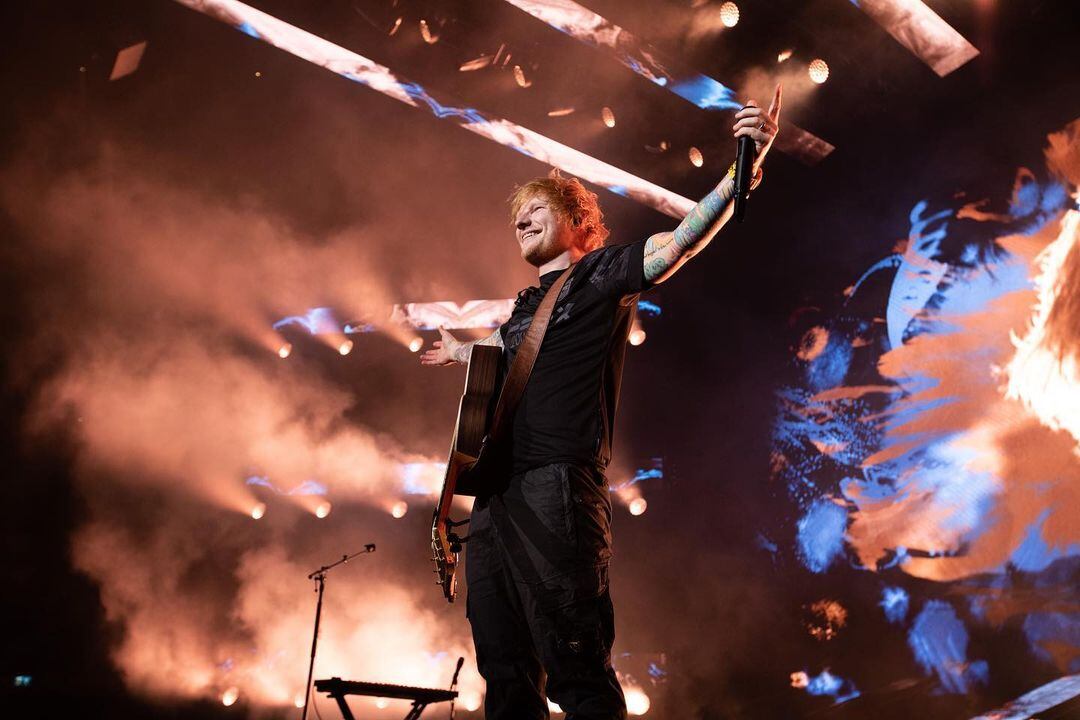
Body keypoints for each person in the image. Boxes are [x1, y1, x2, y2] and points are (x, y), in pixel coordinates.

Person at [420, 86, 782, 720]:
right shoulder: (524, 308)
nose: (521, 221)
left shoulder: (599, 274)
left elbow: (680, 242)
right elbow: (505, 350)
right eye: (516, 216)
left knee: (577, 670)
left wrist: (742, 170)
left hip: (557, 490)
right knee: (504, 678)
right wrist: (460, 351)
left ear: (577, 221)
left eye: (536, 209)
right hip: (496, 504)